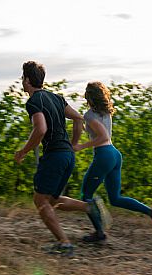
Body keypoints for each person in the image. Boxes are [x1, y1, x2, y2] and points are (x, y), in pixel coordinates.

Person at [14, 61, 105, 256]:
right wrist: (72, 144)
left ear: (27, 80)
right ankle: (89, 207)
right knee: (52, 199)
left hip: (54, 155)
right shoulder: (56, 98)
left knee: (40, 200)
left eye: (22, 78)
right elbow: (78, 118)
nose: (22, 81)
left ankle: (64, 244)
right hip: (67, 156)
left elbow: (41, 129)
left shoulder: (34, 102)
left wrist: (23, 151)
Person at [73, 81, 152, 242]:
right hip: (114, 154)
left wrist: (81, 146)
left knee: (86, 194)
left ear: (88, 96)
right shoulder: (106, 112)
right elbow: (99, 132)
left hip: (104, 155)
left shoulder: (90, 114)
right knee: (115, 198)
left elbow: (103, 136)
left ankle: (99, 233)